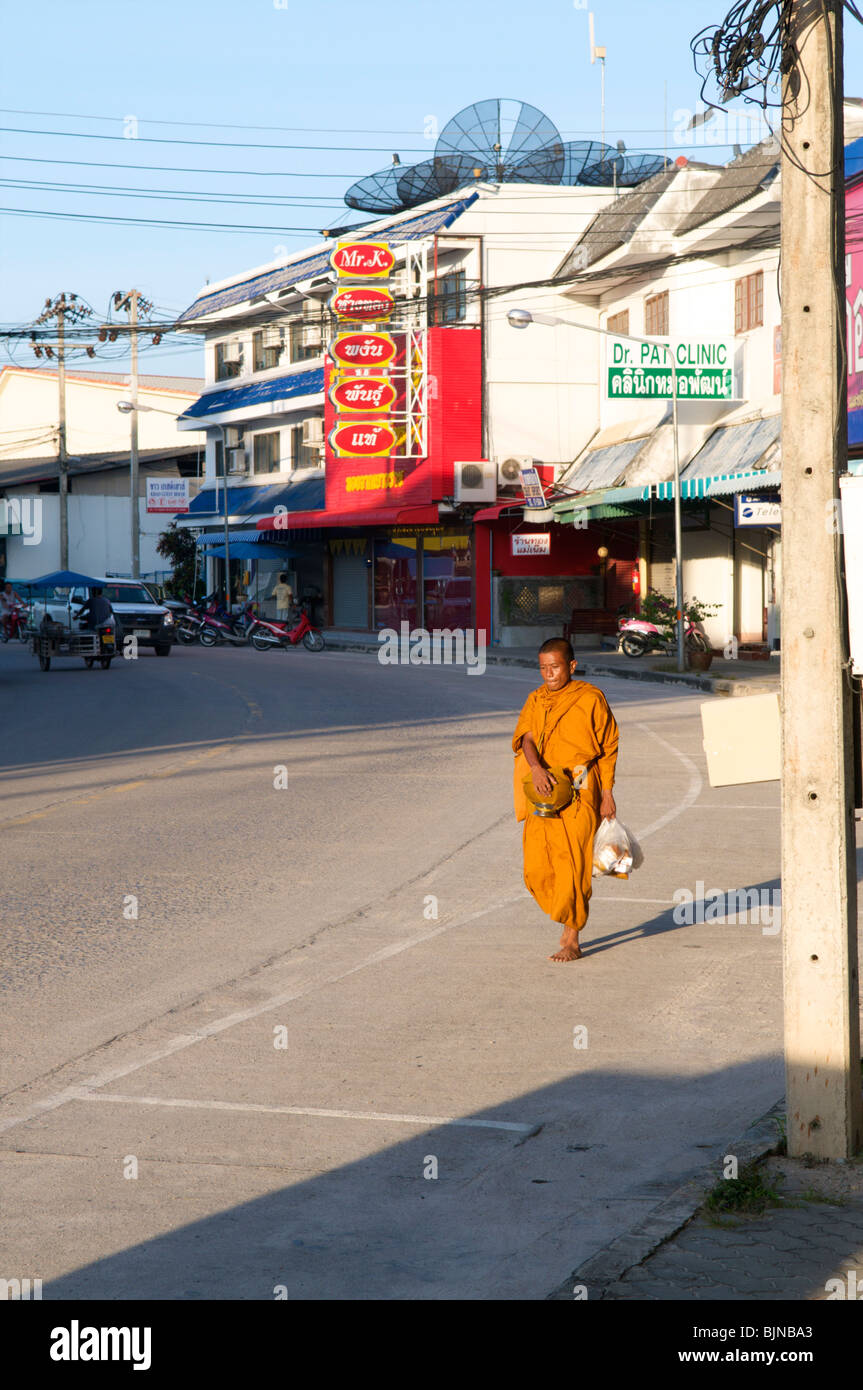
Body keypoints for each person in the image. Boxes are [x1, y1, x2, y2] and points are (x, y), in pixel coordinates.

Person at [512, 637, 619, 962]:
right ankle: (565, 912)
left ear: (571, 666)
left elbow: (608, 747)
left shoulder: (590, 699)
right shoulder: (536, 699)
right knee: (536, 866)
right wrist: (536, 768)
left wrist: (608, 793)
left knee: (573, 863)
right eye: (543, 668)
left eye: (555, 667)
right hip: (543, 786)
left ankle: (572, 937)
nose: (549, 674)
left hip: (581, 788)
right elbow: (526, 738)